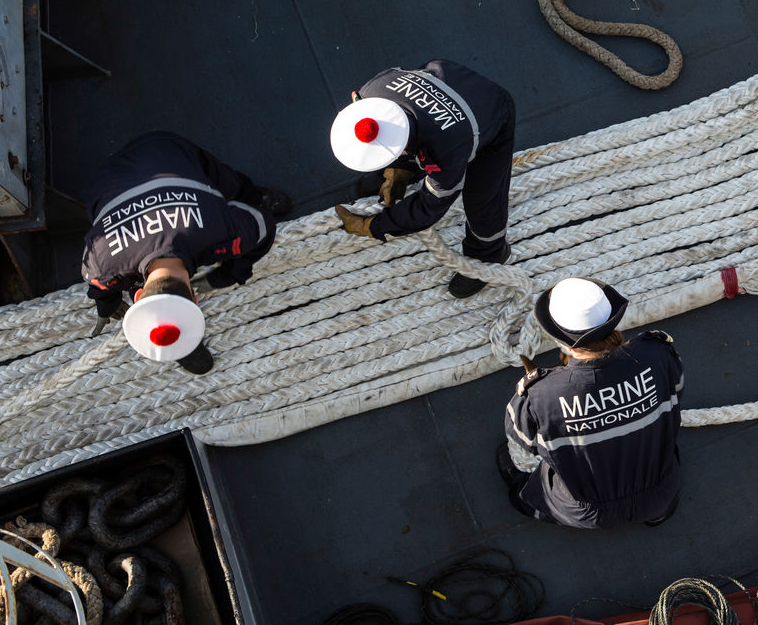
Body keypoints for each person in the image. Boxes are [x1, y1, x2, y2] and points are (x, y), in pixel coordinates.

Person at [80, 131, 291, 373]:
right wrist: (234, 270)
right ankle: (180, 343)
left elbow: (263, 223)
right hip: (147, 155)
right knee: (223, 184)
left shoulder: (221, 234)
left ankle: (254, 195)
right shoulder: (101, 265)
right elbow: (263, 224)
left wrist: (232, 273)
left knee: (230, 184)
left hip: (132, 165)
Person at [499, 277, 683, 529]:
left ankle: (528, 500)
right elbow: (676, 393)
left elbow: (522, 440)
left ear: (564, 342)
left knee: (523, 491)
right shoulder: (658, 354)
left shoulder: (538, 394)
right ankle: (657, 512)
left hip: (589, 513)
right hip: (660, 493)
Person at [331, 61, 515, 298]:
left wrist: (377, 226)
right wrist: (397, 170)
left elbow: (429, 208)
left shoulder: (447, 150)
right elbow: (402, 121)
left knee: (482, 199)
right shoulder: (372, 91)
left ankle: (490, 254)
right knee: (411, 152)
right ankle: (399, 171)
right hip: (449, 78)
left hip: (491, 111)